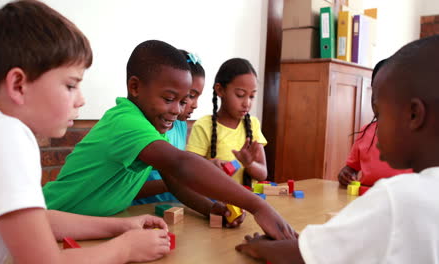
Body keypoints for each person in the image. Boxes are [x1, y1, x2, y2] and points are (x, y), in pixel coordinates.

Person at [0, 1, 171, 263]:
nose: (81, 100)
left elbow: (37, 221)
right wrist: (124, 249)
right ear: (18, 84)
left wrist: (121, 226)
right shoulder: (5, 137)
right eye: (70, 85)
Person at [43, 40, 296, 239]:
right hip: (49, 220)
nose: (177, 110)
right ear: (135, 87)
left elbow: (173, 181)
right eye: (168, 98)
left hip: (85, 227)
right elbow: (180, 165)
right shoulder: (126, 121)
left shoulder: (152, 128)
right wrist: (257, 205)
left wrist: (210, 209)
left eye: (183, 100)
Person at [235, 35, 439, 263]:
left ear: (414, 115)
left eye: (380, 114)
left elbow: (307, 256)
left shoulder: (399, 197)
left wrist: (261, 248)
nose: (375, 125)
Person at [132, 49, 205, 205]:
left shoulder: (179, 125)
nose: (195, 105)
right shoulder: (140, 126)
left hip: (171, 207)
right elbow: (179, 167)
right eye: (191, 96)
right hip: (140, 209)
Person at [186, 58, 268, 187]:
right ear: (220, 90)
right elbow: (189, 170)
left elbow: (262, 174)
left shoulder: (253, 124)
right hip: (214, 202)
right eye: (240, 95)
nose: (247, 103)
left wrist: (249, 164)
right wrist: (210, 166)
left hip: (246, 202)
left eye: (251, 96)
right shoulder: (204, 125)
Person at [338, 59, 412, 187]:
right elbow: (351, 168)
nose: (379, 99)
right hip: (369, 199)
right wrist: (345, 174)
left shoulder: (418, 135)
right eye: (376, 91)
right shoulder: (365, 131)